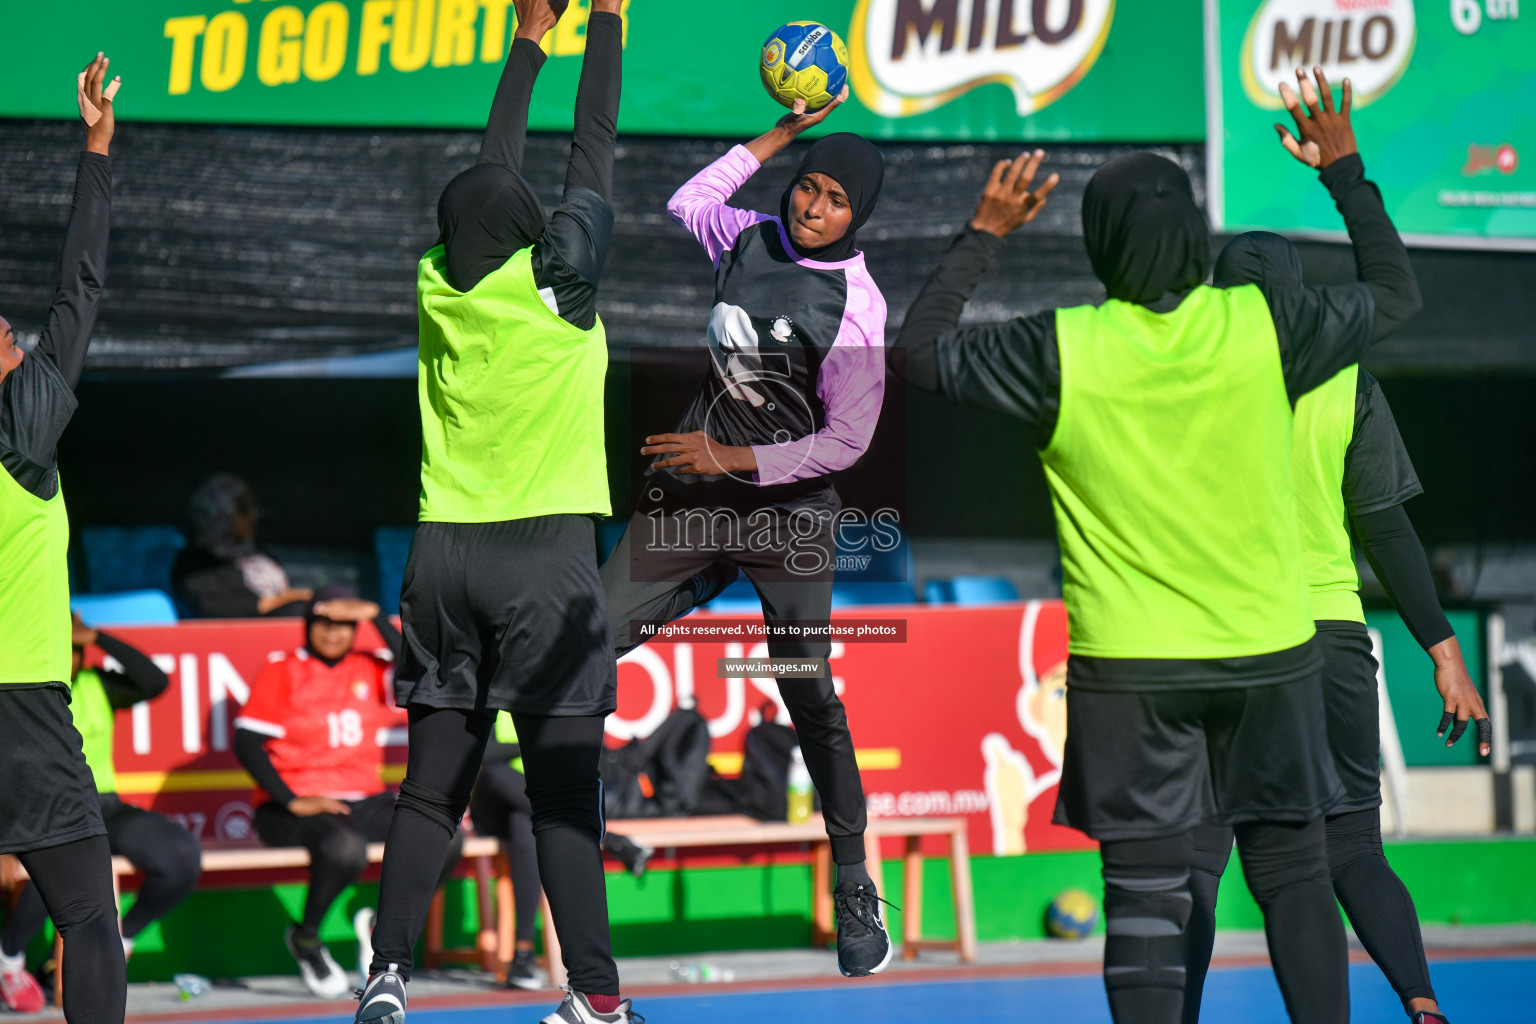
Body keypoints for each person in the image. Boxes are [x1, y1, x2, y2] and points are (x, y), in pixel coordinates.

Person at [892, 67, 1422, 1024]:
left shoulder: (1065, 347)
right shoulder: (1264, 327)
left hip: (1131, 671)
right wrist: (1345, 173)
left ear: (1101, 245)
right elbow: (1395, 292)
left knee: (1145, 899)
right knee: (1295, 873)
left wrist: (983, 235)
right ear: (1194, 237)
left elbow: (918, 352)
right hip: (1270, 653)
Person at [353, 3, 636, 1022]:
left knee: (431, 789)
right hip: (543, 560)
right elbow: (587, 158)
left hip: (442, 561)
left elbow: (488, 176)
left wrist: (526, 43)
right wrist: (602, 26)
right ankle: (594, 1001)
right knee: (562, 797)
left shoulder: (438, 284)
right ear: (525, 230)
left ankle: (386, 973)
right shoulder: (561, 291)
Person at [598, 91, 893, 977]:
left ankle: (853, 884)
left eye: (837, 200)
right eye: (810, 188)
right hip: (698, 494)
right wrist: (780, 136)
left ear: (858, 216)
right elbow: (687, 203)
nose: (814, 207)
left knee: (810, 695)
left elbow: (849, 439)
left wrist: (732, 460)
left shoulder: (859, 305)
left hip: (789, 520)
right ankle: (583, 821)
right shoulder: (750, 235)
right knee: (585, 645)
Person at [1180, 230, 1492, 1024]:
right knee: (1353, 846)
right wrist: (1445, 652)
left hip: (1223, 644)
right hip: (1331, 640)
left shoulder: (1183, 374)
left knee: (1198, 861)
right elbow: (1384, 528)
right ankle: (1421, 1005)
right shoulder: (1345, 376)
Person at [0, 53, 128, 1024]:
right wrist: (95, 143)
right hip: (25, 708)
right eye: (5, 337)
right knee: (87, 915)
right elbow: (77, 293)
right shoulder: (22, 438)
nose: (18, 339)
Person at [233, 587, 459, 999]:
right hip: (293, 804)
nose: (334, 633)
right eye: (325, 622)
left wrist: (375, 613)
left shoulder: (367, 666)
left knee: (444, 837)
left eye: (345, 624)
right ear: (308, 624)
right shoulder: (283, 669)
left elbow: (417, 666)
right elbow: (246, 740)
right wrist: (291, 799)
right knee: (345, 848)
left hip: (361, 798)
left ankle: (384, 926)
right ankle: (306, 939)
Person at [0, 617, 202, 1011]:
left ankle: (119, 944)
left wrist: (97, 636)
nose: (70, 656)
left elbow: (155, 682)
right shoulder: (17, 694)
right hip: (39, 807)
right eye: (64, 646)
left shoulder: (96, 685)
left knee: (181, 855)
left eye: (76, 649)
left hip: (102, 804)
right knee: (58, 862)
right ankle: (8, 959)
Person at [171, 473, 312, 617]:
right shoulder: (195, 563)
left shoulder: (258, 552)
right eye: (244, 509)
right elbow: (217, 607)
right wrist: (289, 598)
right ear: (221, 514)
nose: (254, 515)